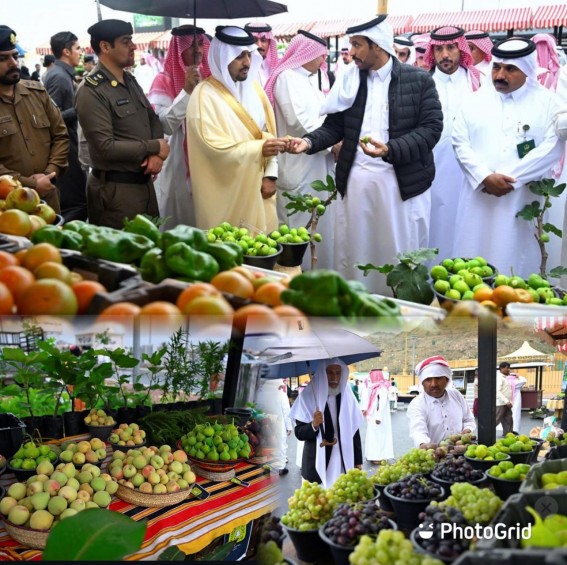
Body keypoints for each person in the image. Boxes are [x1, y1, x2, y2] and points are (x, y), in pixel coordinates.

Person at [288, 15, 443, 295]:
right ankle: (357, 307)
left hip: (401, 184)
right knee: (357, 250)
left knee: (398, 252)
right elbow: (335, 125)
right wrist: (308, 143)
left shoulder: (418, 80)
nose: (352, 52)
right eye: (351, 45)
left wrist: (391, 149)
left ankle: (397, 312)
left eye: (358, 45)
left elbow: (431, 129)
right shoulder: (349, 80)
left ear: (378, 46)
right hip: (357, 183)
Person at [452, 38, 564, 276]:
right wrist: (484, 177)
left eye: (510, 69)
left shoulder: (549, 104)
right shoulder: (473, 102)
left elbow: (552, 148)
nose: (500, 75)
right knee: (470, 261)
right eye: (496, 67)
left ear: (527, 70)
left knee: (516, 263)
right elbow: (460, 143)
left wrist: (512, 180)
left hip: (522, 197)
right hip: (478, 196)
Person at [186, 26, 289, 233]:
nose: (247, 63)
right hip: (224, 194)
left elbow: (267, 133)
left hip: (260, 187)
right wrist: (259, 149)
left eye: (248, 55)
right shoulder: (203, 96)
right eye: (239, 57)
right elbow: (212, 148)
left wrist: (271, 174)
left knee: (263, 250)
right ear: (223, 58)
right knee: (231, 252)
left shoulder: (255, 90)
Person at [75, 19, 169, 228]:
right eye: (126, 42)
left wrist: (155, 154)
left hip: (143, 186)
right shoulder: (91, 90)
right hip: (116, 192)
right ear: (105, 47)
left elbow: (152, 119)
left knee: (150, 252)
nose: (134, 46)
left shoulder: (130, 80)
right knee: (123, 255)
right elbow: (104, 147)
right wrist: (154, 147)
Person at [264, 29, 336, 269]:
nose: (323, 60)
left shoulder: (307, 81)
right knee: (296, 225)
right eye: (320, 55)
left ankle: (315, 271)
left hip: (315, 164)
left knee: (315, 224)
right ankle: (294, 274)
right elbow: (299, 121)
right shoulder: (287, 77)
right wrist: (332, 142)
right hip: (297, 166)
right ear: (306, 53)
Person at [424, 26, 481, 261]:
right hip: (430, 170)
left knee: (465, 221)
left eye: (450, 48)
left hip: (467, 172)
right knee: (432, 221)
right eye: (439, 49)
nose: (445, 55)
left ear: (461, 49)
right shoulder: (421, 82)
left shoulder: (478, 82)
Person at [148, 25, 210, 229]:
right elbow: (164, 124)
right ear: (178, 49)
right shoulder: (163, 80)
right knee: (178, 221)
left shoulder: (210, 78)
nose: (198, 50)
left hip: (206, 158)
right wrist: (185, 91)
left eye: (200, 43)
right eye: (191, 45)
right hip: (176, 164)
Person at [0, 25, 68, 213]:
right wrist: (30, 184)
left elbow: (61, 136)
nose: (13, 63)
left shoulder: (37, 92)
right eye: (3, 58)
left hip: (48, 199)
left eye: (14, 56)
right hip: (7, 208)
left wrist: (48, 175)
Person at [289, 358, 363, 488]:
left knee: (340, 499)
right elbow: (299, 433)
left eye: (338, 373)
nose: (334, 377)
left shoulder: (348, 397)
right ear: (322, 373)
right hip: (317, 460)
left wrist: (357, 461)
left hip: (342, 457)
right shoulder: (308, 397)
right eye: (330, 373)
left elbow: (354, 431)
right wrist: (314, 425)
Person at [44, 31, 88, 222]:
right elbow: (50, 119)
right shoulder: (58, 76)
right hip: (64, 152)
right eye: (78, 48)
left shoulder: (63, 74)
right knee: (75, 206)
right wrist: (80, 108)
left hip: (70, 146)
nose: (81, 52)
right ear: (66, 52)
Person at [408, 356, 476, 448]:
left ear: (447, 380)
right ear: (422, 383)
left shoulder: (456, 395)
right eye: (428, 380)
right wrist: (424, 444)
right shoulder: (417, 404)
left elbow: (468, 420)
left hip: (459, 452)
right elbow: (418, 431)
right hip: (434, 457)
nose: (434, 384)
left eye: (438, 378)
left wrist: (467, 429)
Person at [255, 378, 292, 476]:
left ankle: (266, 467)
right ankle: (281, 468)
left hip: (263, 423)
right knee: (281, 445)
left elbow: (256, 409)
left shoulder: (260, 394)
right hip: (278, 424)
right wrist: (289, 427)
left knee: (265, 445)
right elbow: (287, 412)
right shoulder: (281, 395)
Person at [363, 369, 394, 464]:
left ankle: (379, 457)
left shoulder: (382, 388)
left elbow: (382, 404)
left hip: (378, 418)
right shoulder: (375, 387)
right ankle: (373, 456)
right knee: (373, 436)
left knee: (378, 437)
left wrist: (378, 417)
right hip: (373, 417)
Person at [244, 22, 278, 87]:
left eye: (263, 40)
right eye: (254, 40)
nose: (259, 45)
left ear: (269, 43)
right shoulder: (241, 68)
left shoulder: (276, 68)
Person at [496, 362, 514, 436]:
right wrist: (506, 401)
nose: (509, 370)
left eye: (509, 368)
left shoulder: (505, 378)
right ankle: (486, 434)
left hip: (506, 403)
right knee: (496, 420)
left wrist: (508, 402)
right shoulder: (499, 378)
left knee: (508, 420)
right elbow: (497, 391)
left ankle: (508, 436)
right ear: (502, 368)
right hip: (501, 403)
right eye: (507, 368)